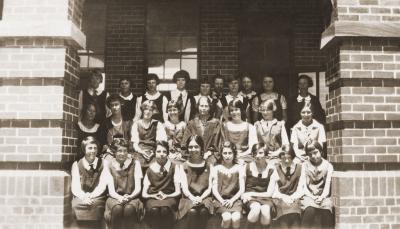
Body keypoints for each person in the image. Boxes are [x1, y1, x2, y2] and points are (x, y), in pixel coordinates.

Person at [104, 139, 144, 229]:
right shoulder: (109, 165)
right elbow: (111, 191)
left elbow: (138, 188)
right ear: (114, 152)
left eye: (125, 151)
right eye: (119, 151)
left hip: (133, 197)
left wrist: (130, 197)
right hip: (114, 197)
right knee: (117, 208)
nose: (122, 154)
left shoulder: (135, 164)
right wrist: (120, 198)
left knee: (129, 209)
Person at [142, 141, 182, 229]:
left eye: (164, 152)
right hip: (153, 198)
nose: (161, 154)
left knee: (165, 209)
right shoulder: (150, 169)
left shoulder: (174, 167)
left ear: (167, 153)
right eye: (159, 151)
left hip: (170, 198)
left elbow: (178, 191)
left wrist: (167, 195)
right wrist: (154, 196)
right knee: (154, 209)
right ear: (155, 153)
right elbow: (144, 194)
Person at [177, 135, 214, 229]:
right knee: (192, 211)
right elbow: (184, 188)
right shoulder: (183, 166)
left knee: (203, 211)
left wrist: (201, 198)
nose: (193, 149)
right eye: (190, 147)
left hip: (205, 198)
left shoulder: (209, 166)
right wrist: (193, 198)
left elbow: (209, 188)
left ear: (201, 148)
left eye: (196, 146)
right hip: (188, 198)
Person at [71, 136, 108, 227]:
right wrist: (84, 196)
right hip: (81, 196)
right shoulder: (76, 165)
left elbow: (102, 185)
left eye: (95, 148)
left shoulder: (104, 163)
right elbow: (75, 186)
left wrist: (91, 195)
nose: (93, 151)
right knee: (76, 205)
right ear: (84, 149)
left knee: (95, 206)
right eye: (90, 148)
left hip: (98, 196)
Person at [299, 141, 334, 228]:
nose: (313, 156)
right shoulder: (304, 165)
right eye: (310, 154)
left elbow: (327, 186)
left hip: (323, 196)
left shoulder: (328, 166)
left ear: (321, 151)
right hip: (309, 196)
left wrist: (322, 197)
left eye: (315, 153)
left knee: (326, 212)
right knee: (309, 211)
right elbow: (303, 186)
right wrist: (312, 197)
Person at [211, 141, 245, 229]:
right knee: (226, 218)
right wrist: (222, 201)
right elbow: (214, 190)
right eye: (224, 153)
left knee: (236, 218)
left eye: (230, 153)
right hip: (220, 200)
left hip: (235, 200)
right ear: (221, 154)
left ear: (234, 154)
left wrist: (232, 200)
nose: (227, 156)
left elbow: (242, 189)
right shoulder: (217, 168)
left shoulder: (239, 168)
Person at [241, 143, 276, 228]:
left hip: (265, 197)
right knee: (256, 209)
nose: (257, 156)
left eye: (260, 153)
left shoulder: (272, 169)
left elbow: (269, 193)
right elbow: (242, 189)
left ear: (266, 154)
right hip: (250, 199)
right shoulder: (246, 167)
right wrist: (244, 196)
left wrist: (250, 194)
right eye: (255, 153)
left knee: (265, 211)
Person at [182, 96, 221, 166]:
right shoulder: (191, 123)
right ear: (198, 106)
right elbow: (184, 144)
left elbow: (217, 143)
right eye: (201, 106)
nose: (203, 108)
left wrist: (209, 153)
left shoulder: (216, 123)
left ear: (210, 107)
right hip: (193, 155)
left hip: (210, 156)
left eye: (206, 106)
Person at [131, 100, 167, 171]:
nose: (147, 112)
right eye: (146, 109)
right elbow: (135, 143)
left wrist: (153, 152)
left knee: (156, 166)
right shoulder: (136, 124)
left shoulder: (157, 124)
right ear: (142, 110)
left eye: (150, 110)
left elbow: (161, 143)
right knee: (137, 165)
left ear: (153, 112)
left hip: (153, 152)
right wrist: (142, 152)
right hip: (140, 152)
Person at [272, 149, 303, 229]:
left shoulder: (299, 168)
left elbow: (300, 188)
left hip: (295, 197)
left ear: (293, 157)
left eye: (289, 158)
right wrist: (284, 197)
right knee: (283, 211)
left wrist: (292, 197)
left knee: (295, 212)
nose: (286, 161)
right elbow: (274, 190)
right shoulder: (276, 169)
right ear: (280, 158)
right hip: (280, 198)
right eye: (283, 158)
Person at [221, 99, 257, 163]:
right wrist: (232, 156)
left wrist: (240, 156)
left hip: (245, 156)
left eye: (236, 109)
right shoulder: (224, 126)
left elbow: (252, 147)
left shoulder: (250, 127)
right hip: (228, 157)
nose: (234, 112)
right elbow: (222, 146)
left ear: (241, 110)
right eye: (231, 110)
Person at [254, 99, 289, 164]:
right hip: (261, 157)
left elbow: (286, 144)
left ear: (273, 110)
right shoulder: (257, 125)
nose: (265, 112)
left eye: (268, 110)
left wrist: (277, 152)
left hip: (277, 157)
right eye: (263, 110)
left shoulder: (280, 124)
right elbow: (254, 143)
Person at [102, 95, 132, 161]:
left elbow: (131, 140)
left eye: (116, 104)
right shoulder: (105, 123)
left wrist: (127, 151)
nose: (114, 107)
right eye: (112, 105)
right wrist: (108, 150)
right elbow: (102, 141)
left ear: (121, 105)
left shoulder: (128, 122)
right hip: (110, 153)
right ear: (110, 107)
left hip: (124, 152)